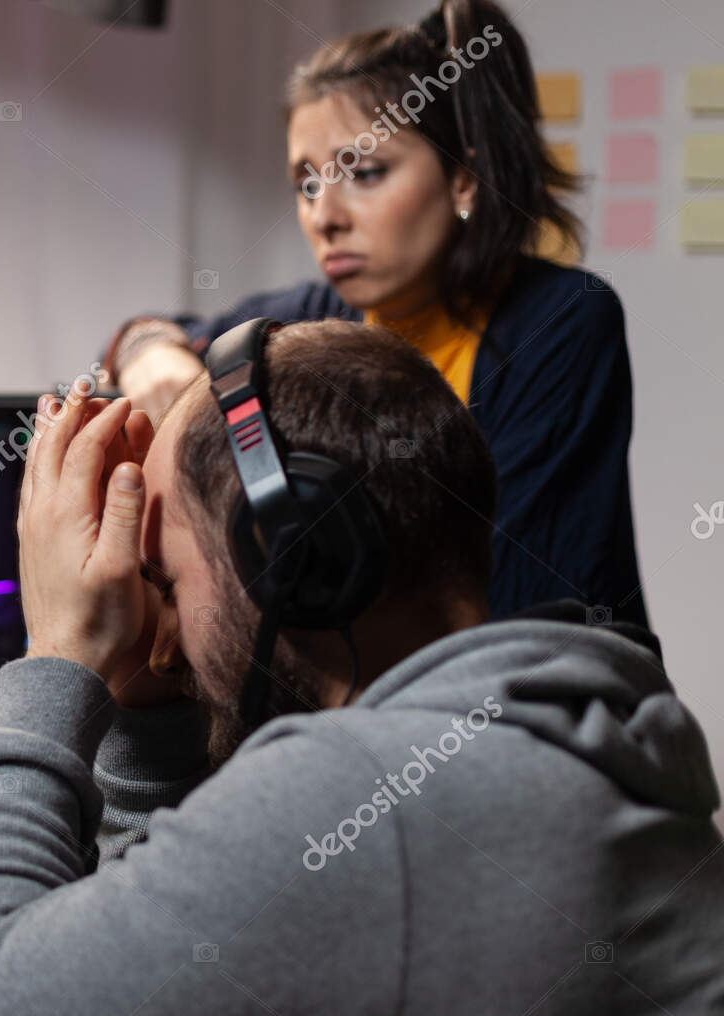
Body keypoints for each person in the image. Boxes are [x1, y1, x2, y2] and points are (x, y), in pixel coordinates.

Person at [0, 321, 724, 1016]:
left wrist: (56, 657)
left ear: (297, 568)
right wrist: (142, 706)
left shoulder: (369, 795)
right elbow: (175, 1010)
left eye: (167, 582)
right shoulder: (572, 726)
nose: (164, 636)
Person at [104, 0, 645, 625]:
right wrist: (148, 349)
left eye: (363, 172)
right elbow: (145, 336)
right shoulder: (312, 318)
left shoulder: (561, 321)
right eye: (306, 183)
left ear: (464, 179)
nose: (324, 216)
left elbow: (523, 598)